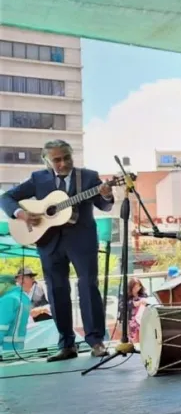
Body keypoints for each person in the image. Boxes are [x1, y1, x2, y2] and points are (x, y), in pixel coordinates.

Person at [0, 140, 115, 361]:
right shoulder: (38, 179)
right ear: (46, 161)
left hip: (82, 240)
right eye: (57, 160)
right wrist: (22, 214)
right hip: (48, 241)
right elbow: (6, 198)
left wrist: (107, 193)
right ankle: (67, 345)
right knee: (56, 291)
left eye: (67, 158)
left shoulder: (89, 177)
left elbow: (105, 205)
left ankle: (96, 341)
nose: (63, 163)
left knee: (88, 286)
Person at [0, 275, 30, 352]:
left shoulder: (7, 299)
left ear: (6, 284)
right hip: (18, 347)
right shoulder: (23, 297)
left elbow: (1, 327)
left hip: (5, 349)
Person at [122, 278, 149, 343]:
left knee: (144, 334)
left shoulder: (143, 294)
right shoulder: (126, 295)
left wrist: (145, 303)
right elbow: (123, 306)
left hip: (143, 317)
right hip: (133, 319)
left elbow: (148, 304)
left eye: (138, 287)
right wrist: (135, 303)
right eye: (135, 287)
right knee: (134, 336)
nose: (137, 289)